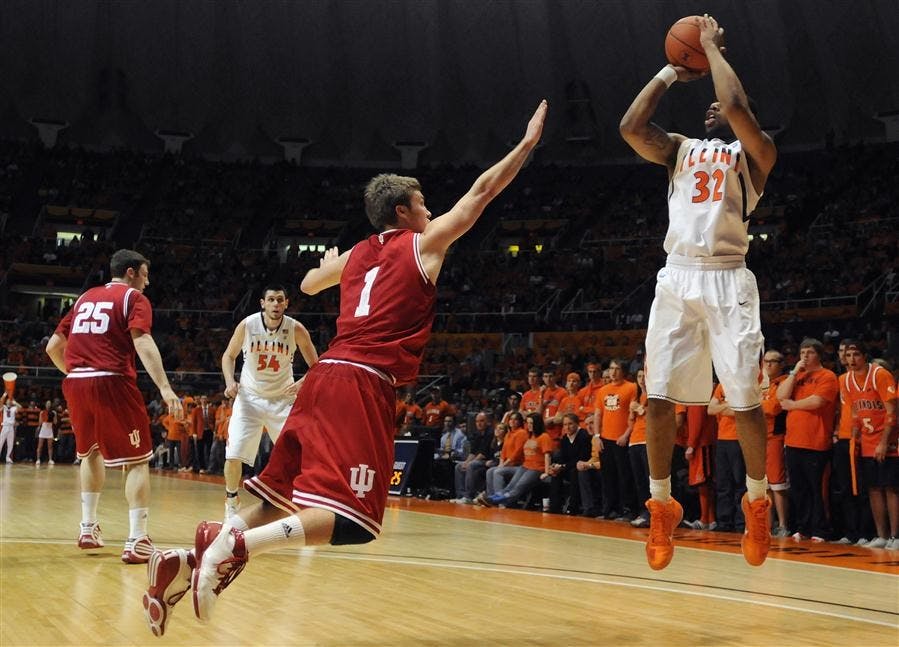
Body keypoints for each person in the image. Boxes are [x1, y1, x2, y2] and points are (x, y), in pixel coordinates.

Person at [142, 100, 547, 636]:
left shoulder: (356, 255)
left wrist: (324, 267)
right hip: (362, 381)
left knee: (277, 495)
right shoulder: (423, 246)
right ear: (403, 212)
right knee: (355, 523)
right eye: (423, 201)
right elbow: (481, 193)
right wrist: (525, 147)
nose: (430, 209)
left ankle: (189, 563)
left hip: (323, 375)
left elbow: (308, 285)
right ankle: (234, 543)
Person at [619, 14, 777, 569]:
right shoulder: (682, 149)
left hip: (729, 276)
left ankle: (757, 504)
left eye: (720, 101)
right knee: (658, 398)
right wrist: (669, 70)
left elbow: (734, 108)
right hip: (677, 274)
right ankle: (663, 506)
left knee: (744, 402)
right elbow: (631, 128)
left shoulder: (754, 155)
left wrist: (709, 48)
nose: (713, 107)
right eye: (707, 101)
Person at [45, 248, 182, 563]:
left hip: (76, 382)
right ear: (132, 272)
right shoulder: (133, 299)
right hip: (113, 381)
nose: (147, 283)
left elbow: (53, 346)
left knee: (89, 453)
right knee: (137, 460)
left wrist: (77, 373)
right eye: (145, 275)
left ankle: (88, 527)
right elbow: (143, 341)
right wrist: (165, 387)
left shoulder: (83, 299)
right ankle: (137, 539)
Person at [219, 285, 319, 519]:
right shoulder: (247, 325)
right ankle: (231, 501)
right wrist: (229, 381)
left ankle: (305, 503)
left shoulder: (297, 329)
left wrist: (302, 383)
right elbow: (228, 356)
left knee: (301, 456)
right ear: (262, 303)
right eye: (271, 300)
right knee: (233, 455)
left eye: (280, 300)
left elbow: (317, 366)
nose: (275, 304)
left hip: (282, 400)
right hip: (249, 399)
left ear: (286, 303)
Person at [776, 338, 839, 542]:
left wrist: (792, 405)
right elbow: (780, 396)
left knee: (817, 488)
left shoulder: (827, 376)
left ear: (819, 354)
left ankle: (821, 529)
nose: (805, 356)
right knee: (799, 488)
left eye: (809, 352)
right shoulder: (797, 376)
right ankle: (803, 527)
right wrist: (794, 372)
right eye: (802, 352)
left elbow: (818, 401)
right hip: (793, 440)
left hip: (816, 441)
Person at [840, 340, 897, 549]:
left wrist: (884, 442)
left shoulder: (880, 374)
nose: (851, 360)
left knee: (890, 488)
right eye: (848, 356)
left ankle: (895, 536)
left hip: (888, 440)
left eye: (855, 355)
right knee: (873, 488)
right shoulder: (845, 380)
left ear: (864, 356)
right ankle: (881, 535)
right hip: (866, 440)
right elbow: (855, 412)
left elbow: (892, 412)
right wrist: (855, 435)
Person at [759, 350, 790, 537]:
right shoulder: (761, 384)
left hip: (777, 437)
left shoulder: (784, 382)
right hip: (761, 438)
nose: (768, 365)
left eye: (773, 361)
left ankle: (784, 524)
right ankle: (769, 524)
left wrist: (756, 407)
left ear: (781, 364)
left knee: (778, 484)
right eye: (766, 361)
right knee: (766, 485)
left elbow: (773, 408)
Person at [35, 400, 56, 466]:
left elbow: (55, 422)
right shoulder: (42, 412)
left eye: (49, 403)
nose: (48, 405)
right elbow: (40, 422)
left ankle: (50, 459)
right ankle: (38, 459)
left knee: (50, 446)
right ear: (45, 405)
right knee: (40, 445)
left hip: (50, 430)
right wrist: (45, 417)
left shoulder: (53, 412)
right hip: (43, 429)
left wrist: (52, 417)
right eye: (47, 403)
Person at [0, 393, 20, 463]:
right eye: (8, 400)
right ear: (6, 402)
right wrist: (5, 395)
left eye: (10, 400)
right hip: (5, 426)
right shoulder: (4, 407)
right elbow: (0, 402)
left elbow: (20, 407)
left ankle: (8, 457)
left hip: (11, 427)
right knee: (1, 441)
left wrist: (15, 402)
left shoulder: (14, 408)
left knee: (10, 443)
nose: (9, 401)